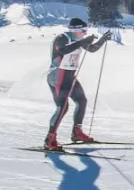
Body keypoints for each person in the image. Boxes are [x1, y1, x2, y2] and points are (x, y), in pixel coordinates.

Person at [44, 18, 113, 151]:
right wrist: (82, 42)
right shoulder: (62, 38)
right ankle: (49, 139)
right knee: (63, 107)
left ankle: (77, 132)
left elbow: (91, 49)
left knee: (82, 100)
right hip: (58, 76)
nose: (85, 32)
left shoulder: (78, 40)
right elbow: (62, 50)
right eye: (83, 30)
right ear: (76, 30)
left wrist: (102, 40)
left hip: (69, 76)